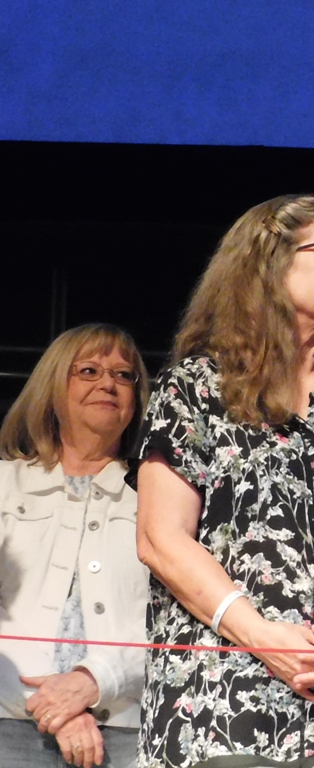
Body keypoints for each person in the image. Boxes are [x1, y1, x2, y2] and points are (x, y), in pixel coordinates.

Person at [130, 194, 314, 768]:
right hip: (223, 708)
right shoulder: (197, 389)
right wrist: (261, 635)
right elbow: (160, 538)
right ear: (268, 261)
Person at [0, 323, 151, 768]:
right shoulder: (4, 483)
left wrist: (93, 680)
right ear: (52, 387)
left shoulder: (160, 495)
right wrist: (55, 703)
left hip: (129, 730)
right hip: (9, 723)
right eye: (89, 371)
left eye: (124, 375)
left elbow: (175, 622)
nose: (108, 383)